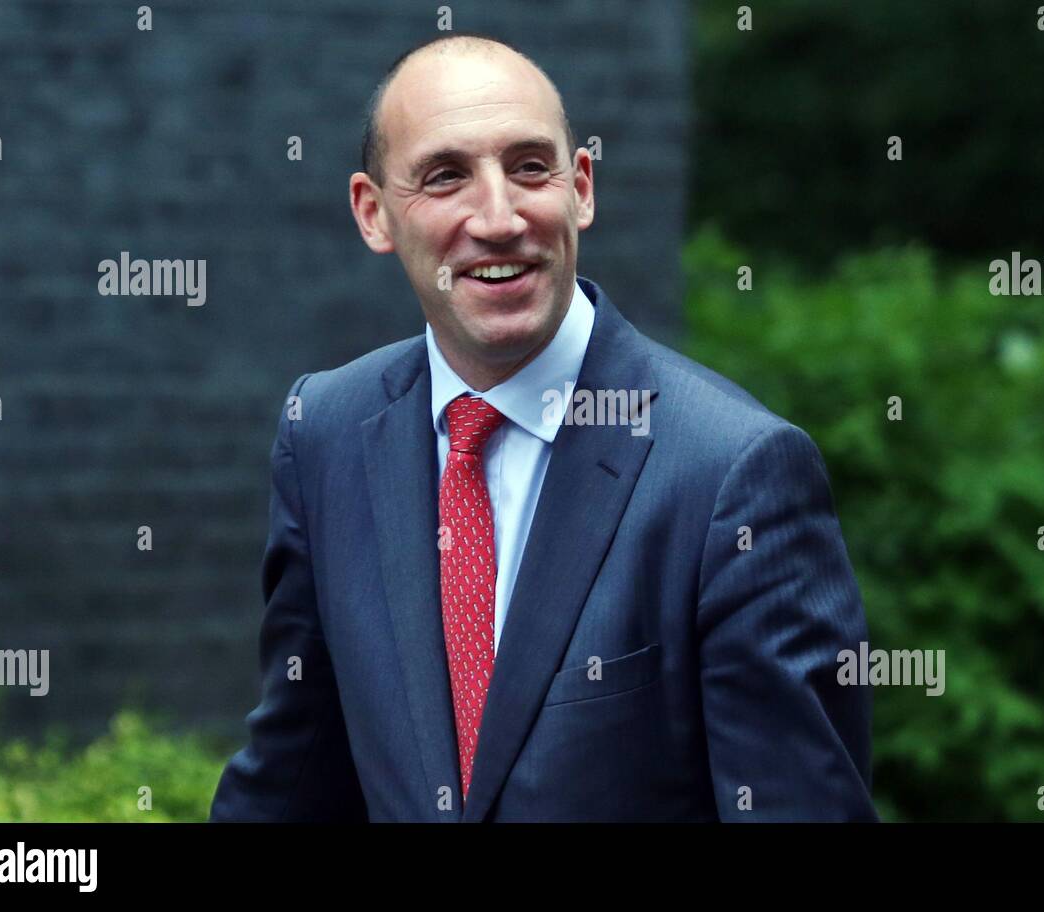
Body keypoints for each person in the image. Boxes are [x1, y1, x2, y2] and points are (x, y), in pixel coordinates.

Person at [209, 33, 875, 822]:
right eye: (445, 176)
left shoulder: (735, 473)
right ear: (373, 213)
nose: (497, 218)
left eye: (530, 167)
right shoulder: (324, 433)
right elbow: (293, 781)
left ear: (581, 188)